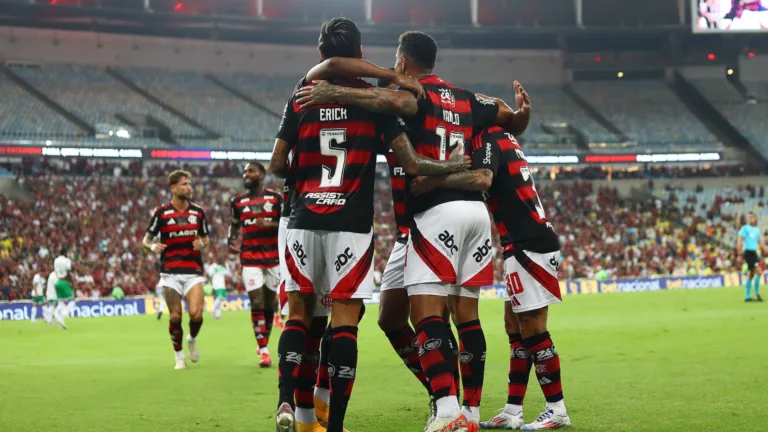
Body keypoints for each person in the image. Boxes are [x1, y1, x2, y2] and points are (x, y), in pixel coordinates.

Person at [293, 31, 530, 432]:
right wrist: (524, 113)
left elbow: (379, 98)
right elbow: (512, 118)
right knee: (393, 317)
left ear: (402, 61)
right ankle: (448, 396)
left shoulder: (407, 95)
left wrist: (332, 92)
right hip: (449, 220)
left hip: (430, 215)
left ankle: (450, 407)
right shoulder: (469, 100)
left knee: (429, 313)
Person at [269, 17, 471, 432]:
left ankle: (288, 403)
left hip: (303, 218)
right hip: (350, 223)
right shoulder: (374, 103)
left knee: (299, 316)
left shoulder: (303, 93)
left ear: (320, 52)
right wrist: (449, 166)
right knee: (346, 320)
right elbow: (411, 163)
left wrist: (303, 179)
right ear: (361, 53)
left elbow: (276, 164)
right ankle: (334, 424)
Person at [414, 128, 572, 430]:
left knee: (533, 328)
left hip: (529, 243)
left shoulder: (488, 138)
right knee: (514, 327)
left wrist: (435, 180)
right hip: (519, 243)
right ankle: (513, 411)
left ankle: (557, 408)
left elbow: (484, 179)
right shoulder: (505, 138)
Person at [143, 170, 210, 370]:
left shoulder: (198, 212)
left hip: (193, 271)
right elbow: (146, 240)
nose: (189, 188)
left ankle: (191, 338)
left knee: (196, 315)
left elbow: (206, 238)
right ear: (173, 188)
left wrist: (202, 243)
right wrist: (152, 247)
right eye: (184, 184)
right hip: (170, 272)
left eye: (189, 184)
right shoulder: (161, 213)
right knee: (175, 316)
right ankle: (179, 355)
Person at [228, 162, 282, 366]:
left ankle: (263, 341)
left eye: (251, 171)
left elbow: (287, 223)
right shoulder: (237, 202)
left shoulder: (276, 199)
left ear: (261, 174)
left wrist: (270, 224)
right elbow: (234, 226)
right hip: (250, 258)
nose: (246, 175)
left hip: (274, 259)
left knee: (269, 306)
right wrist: (230, 240)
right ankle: (265, 351)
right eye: (244, 172)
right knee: (257, 303)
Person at [738, 212, 764, 302]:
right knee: (759, 271)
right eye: (749, 217)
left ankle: (747, 296)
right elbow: (740, 241)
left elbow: (761, 243)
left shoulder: (756, 230)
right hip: (748, 252)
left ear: (755, 218)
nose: (750, 219)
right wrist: (739, 254)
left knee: (751, 274)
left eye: (752, 217)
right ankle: (756, 295)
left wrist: (765, 250)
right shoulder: (745, 228)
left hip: (754, 253)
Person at [205, 254, 231, 319]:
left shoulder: (222, 267)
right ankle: (212, 310)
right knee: (220, 297)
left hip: (222, 284)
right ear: (217, 260)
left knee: (221, 299)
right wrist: (214, 272)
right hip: (216, 284)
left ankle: (218, 315)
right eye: (220, 259)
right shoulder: (213, 266)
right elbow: (209, 274)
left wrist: (227, 266)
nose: (221, 261)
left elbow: (229, 274)